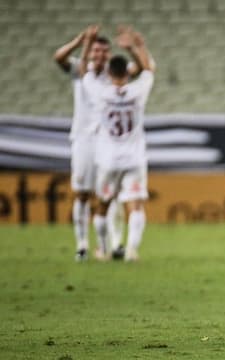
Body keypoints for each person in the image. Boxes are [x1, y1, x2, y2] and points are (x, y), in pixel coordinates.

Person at [82, 26, 155, 262]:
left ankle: (103, 248)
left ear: (110, 73)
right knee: (134, 204)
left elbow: (85, 73)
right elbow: (148, 69)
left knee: (103, 205)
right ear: (127, 72)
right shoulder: (137, 90)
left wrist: (87, 45)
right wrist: (136, 46)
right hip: (134, 158)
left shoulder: (101, 93)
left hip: (108, 159)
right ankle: (132, 249)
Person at [53, 25, 125, 261]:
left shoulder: (113, 75)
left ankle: (112, 244)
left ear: (109, 54)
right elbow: (58, 57)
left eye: (104, 52)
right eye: (96, 51)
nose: (100, 55)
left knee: (109, 194)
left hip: (107, 141)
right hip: (83, 139)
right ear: (90, 51)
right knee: (82, 194)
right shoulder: (78, 69)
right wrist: (79, 40)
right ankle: (82, 244)